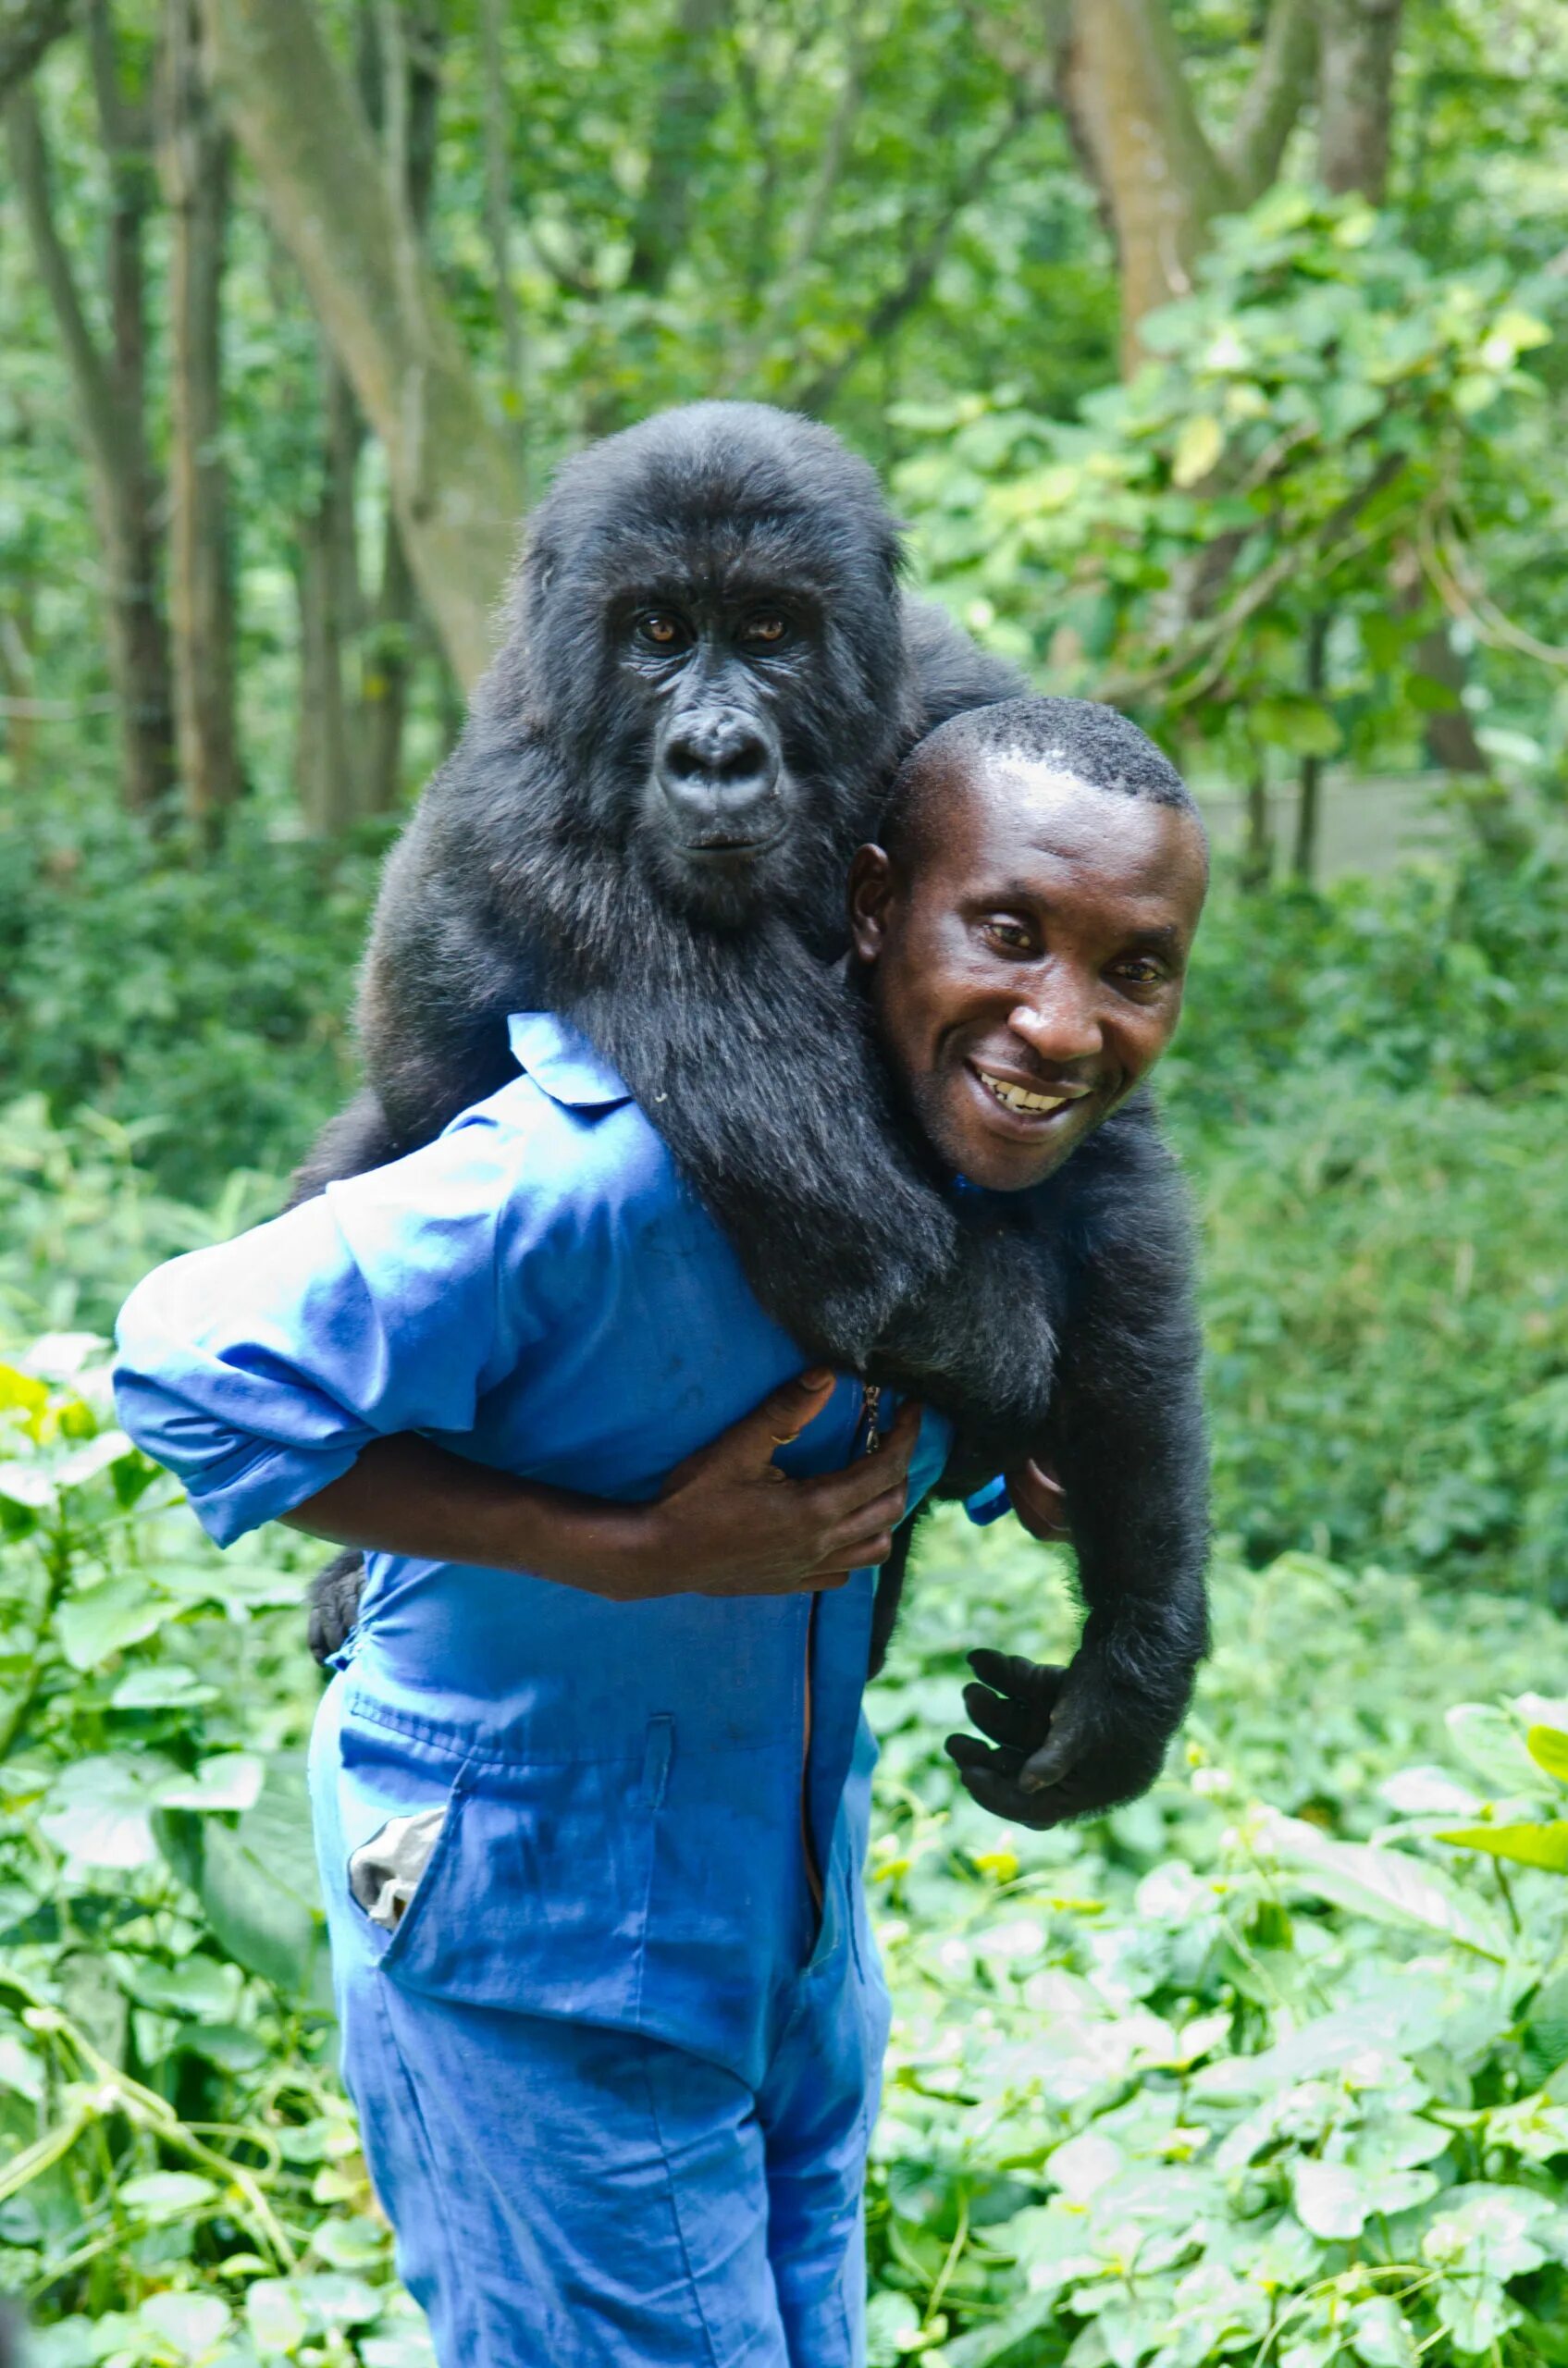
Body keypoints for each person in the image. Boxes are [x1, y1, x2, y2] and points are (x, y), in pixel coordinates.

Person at [113, 697, 1210, 2368]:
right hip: (532, 1931)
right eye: (1007, 935)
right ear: (865, 913)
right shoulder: (603, 1172)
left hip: (775, 1934)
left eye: (1133, 971)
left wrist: (1025, 1452)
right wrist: (623, 1548)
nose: (1063, 1025)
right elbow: (186, 1373)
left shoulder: (981, 1176)